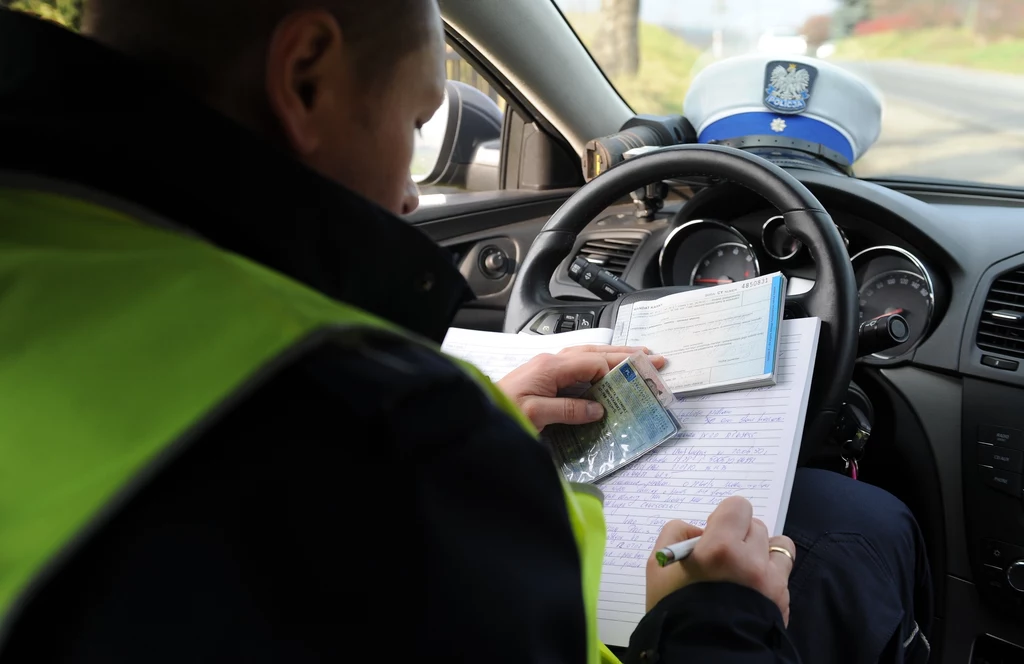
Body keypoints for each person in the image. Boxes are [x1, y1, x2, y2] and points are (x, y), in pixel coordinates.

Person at [0, 3, 930, 664]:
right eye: (415, 121)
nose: (412, 195)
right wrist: (713, 619)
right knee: (867, 526)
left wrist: (482, 410)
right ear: (306, 75)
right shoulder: (400, 441)